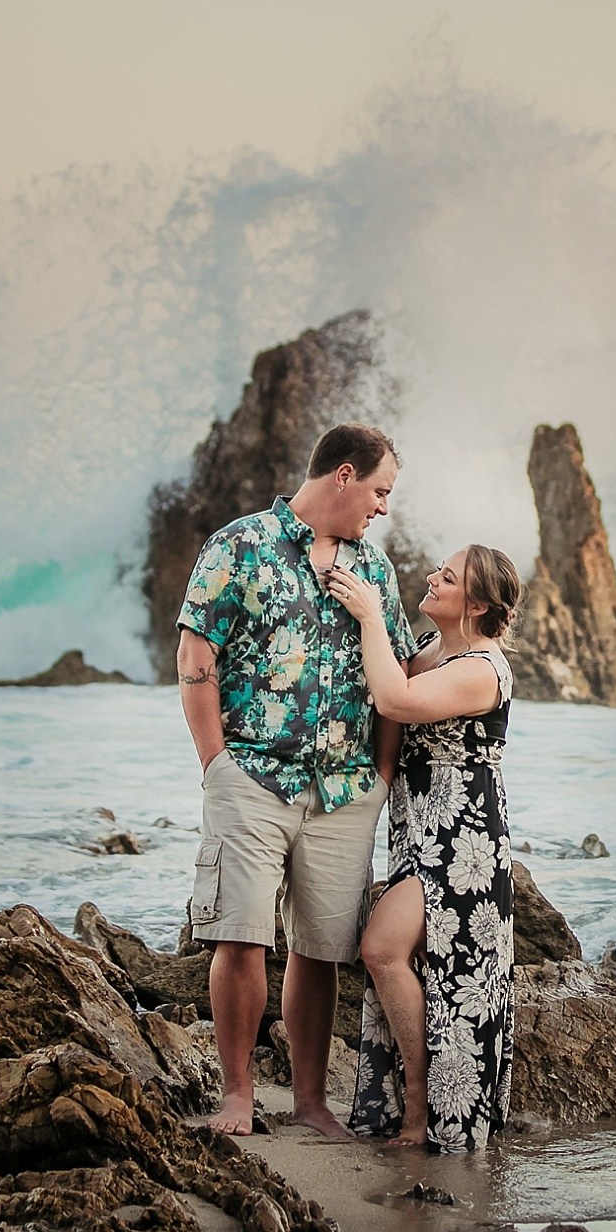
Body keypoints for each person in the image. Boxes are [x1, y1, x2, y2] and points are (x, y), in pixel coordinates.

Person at [174, 423, 415, 1137]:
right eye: (379, 491)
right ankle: (239, 1094)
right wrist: (215, 763)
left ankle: (311, 1103)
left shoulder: (375, 571)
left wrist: (381, 771)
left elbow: (395, 670)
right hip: (250, 773)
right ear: (343, 474)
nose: (382, 508)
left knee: (320, 947)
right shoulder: (237, 545)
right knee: (241, 936)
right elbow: (195, 654)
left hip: (344, 789)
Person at [323, 543, 523, 1152]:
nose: (433, 577)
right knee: (423, 967)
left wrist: (370, 617)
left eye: (450, 576)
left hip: (465, 840)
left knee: (383, 949)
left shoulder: (483, 668)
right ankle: (416, 1109)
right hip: (418, 830)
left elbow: (396, 701)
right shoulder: (435, 651)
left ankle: (419, 1108)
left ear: (478, 603)